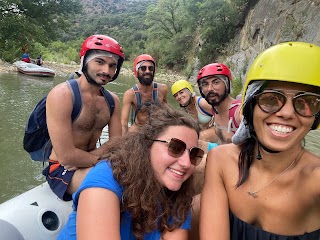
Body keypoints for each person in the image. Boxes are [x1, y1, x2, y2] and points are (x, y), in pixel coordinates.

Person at [200, 42, 320, 239]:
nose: (287, 113)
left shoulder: (315, 179)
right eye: (270, 99)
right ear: (251, 107)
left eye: (306, 102)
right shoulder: (221, 160)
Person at [58, 104, 205, 240]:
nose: (186, 163)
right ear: (147, 145)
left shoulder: (179, 199)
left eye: (193, 154)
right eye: (175, 148)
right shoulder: (107, 178)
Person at [42, 35, 124, 201]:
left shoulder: (112, 101)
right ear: (84, 61)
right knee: (113, 181)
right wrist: (100, 159)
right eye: (99, 62)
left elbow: (117, 144)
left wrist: (92, 158)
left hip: (90, 162)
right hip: (62, 169)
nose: (106, 71)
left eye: (112, 66)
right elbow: (66, 156)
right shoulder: (62, 95)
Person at [121, 54, 168, 135]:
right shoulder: (130, 94)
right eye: (143, 68)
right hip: (139, 129)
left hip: (157, 128)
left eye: (151, 68)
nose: (147, 71)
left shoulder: (163, 89)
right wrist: (123, 143)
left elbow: (167, 111)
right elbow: (124, 123)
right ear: (136, 71)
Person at [197, 63, 242, 144]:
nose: (210, 89)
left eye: (216, 82)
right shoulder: (215, 110)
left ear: (227, 85)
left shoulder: (239, 112)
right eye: (205, 84)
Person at [171, 79, 219, 153]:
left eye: (181, 92)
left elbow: (221, 113)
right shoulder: (185, 108)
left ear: (189, 91)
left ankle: (216, 151)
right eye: (176, 95)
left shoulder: (201, 102)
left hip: (219, 131)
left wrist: (212, 125)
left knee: (200, 137)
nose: (179, 97)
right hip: (206, 133)